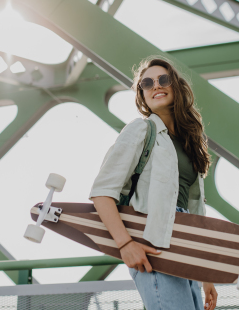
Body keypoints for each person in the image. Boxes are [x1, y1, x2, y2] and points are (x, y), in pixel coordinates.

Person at [89, 56, 218, 310]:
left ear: (176, 86)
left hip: (186, 249)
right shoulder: (141, 130)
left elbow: (197, 215)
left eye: (163, 79)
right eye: (147, 83)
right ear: (142, 95)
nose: (156, 85)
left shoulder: (189, 144)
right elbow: (102, 192)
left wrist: (205, 276)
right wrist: (125, 244)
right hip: (153, 245)